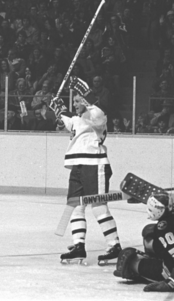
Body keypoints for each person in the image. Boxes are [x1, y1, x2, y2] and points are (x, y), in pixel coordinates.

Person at [52, 77, 122, 264]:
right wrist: (57, 107)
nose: (74, 104)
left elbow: (96, 107)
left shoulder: (96, 115)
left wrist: (86, 93)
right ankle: (78, 246)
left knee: (98, 207)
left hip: (95, 165)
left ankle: (114, 245)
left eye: (77, 100)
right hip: (77, 166)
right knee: (75, 206)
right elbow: (66, 118)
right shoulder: (76, 119)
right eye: (73, 101)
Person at [113, 191, 174, 292]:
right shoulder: (173, 209)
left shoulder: (164, 228)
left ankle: (168, 275)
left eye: (150, 209)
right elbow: (163, 200)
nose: (148, 211)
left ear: (158, 211)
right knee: (149, 232)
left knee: (130, 263)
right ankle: (159, 260)